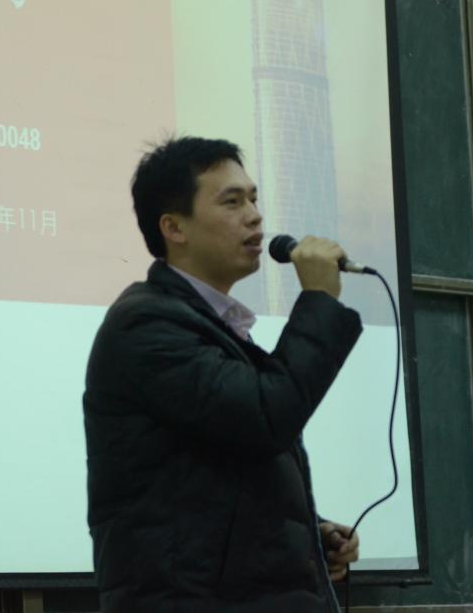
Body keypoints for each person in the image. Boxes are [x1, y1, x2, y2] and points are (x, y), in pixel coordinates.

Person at [84, 137, 362, 612]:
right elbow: (266, 416)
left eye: (253, 198)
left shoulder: (208, 324)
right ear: (174, 227)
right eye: (232, 202)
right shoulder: (146, 325)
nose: (254, 216)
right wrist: (318, 302)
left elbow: (214, 482)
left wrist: (306, 537)